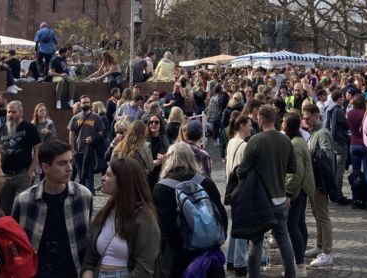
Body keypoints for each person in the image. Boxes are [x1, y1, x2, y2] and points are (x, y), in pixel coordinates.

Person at [12, 139, 93, 278]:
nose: (70, 168)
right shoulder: (24, 200)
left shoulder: (83, 195)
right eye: (62, 163)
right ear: (46, 167)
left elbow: (89, 239)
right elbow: (15, 242)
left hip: (73, 271)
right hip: (37, 272)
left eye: (70, 161)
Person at [236, 105, 297, 277]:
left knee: (256, 242)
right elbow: (292, 168)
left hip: (259, 201)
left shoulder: (255, 141)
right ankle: (291, 274)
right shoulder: (286, 140)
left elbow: (242, 170)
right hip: (280, 198)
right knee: (284, 238)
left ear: (261, 119)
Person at [152, 143, 227, 278]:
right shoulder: (206, 183)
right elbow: (221, 217)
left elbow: (166, 228)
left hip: (176, 260)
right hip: (207, 258)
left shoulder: (161, 188)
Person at [80, 157, 160, 278]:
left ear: (123, 181)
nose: (103, 178)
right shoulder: (105, 212)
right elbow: (89, 260)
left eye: (108, 175)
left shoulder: (144, 218)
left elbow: (144, 269)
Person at [302, 104, 335, 268]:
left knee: (323, 216)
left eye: (308, 118)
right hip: (313, 181)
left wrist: (309, 155)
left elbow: (327, 157)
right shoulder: (314, 132)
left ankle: (327, 252)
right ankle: (320, 245)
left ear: (316, 115)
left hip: (320, 182)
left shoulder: (323, 133)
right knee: (316, 214)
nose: (305, 121)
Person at [0, 100, 41, 214]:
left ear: (21, 112)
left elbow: (37, 150)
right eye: (8, 112)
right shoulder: (1, 129)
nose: (10, 115)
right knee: (3, 210)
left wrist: (30, 172)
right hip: (4, 176)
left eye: (13, 112)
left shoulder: (29, 128)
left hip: (22, 175)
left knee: (21, 209)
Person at [283, 112, 314, 278]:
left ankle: (299, 265)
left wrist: (288, 192)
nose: (281, 124)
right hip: (303, 189)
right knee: (300, 224)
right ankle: (300, 260)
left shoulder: (294, 144)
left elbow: (296, 172)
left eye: (283, 122)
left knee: (292, 226)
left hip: (297, 191)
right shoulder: (300, 141)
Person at [224, 115, 252, 276]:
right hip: (241, 190)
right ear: (241, 125)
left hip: (231, 188)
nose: (251, 128)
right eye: (249, 125)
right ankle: (240, 262)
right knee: (242, 227)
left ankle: (231, 260)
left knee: (235, 225)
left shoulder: (231, 142)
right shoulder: (244, 146)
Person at [68, 96, 106, 190]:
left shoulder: (96, 117)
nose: (86, 104)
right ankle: (81, 192)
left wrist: (93, 138)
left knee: (89, 173)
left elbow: (101, 132)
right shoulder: (75, 118)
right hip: (78, 150)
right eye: (84, 102)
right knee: (81, 173)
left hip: (91, 150)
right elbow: (71, 134)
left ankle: (90, 194)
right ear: (80, 104)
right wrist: (72, 149)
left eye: (87, 102)